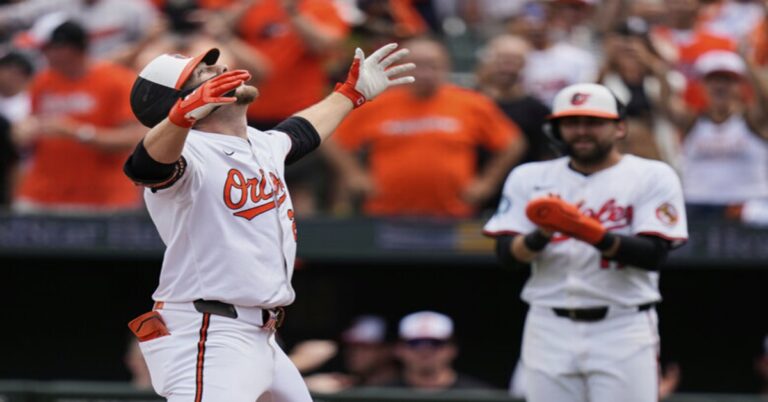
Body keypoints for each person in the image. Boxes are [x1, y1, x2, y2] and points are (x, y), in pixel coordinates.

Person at [122, 42, 414, 402]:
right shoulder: (188, 152)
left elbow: (302, 131)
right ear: (181, 101)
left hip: (262, 333)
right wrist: (182, 117)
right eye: (202, 73)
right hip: (209, 331)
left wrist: (348, 94)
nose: (221, 69)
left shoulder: (261, 144)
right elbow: (144, 166)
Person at [483, 82, 688, 402]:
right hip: (548, 324)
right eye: (571, 123)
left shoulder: (652, 175)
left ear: (619, 127)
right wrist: (543, 234)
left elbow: (653, 254)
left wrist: (585, 229)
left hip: (622, 325)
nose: (581, 131)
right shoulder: (529, 177)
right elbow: (507, 256)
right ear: (556, 128)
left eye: (593, 122)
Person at [326, 36, 525, 218]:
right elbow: (333, 139)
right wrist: (354, 175)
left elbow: (512, 144)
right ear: (402, 67)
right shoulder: (378, 104)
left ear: (446, 67)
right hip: (386, 213)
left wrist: (486, 184)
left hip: (453, 214)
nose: (425, 73)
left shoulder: (471, 104)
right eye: (417, 65)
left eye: (433, 66)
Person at [12, 16, 144, 212]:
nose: (41, 55)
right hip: (43, 195)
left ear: (67, 48)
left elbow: (136, 138)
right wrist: (22, 132)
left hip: (104, 199)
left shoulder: (119, 81)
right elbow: (29, 127)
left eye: (45, 49)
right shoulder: (42, 81)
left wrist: (78, 132)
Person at [648, 49, 768, 219]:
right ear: (702, 85)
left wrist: (749, 65)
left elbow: (765, 99)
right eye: (713, 80)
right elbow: (666, 106)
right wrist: (662, 72)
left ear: (741, 86)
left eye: (728, 81)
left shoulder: (753, 121)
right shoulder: (692, 121)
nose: (720, 86)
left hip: (747, 206)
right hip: (698, 206)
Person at [385, 310, 492, 390]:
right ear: (398, 349)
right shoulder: (380, 394)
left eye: (435, 343)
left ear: (452, 349)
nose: (425, 351)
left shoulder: (479, 395)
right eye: (415, 343)